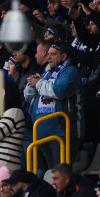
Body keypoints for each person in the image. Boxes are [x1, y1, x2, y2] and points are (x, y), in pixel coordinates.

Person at [24, 41, 80, 173]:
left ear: (64, 56)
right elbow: (29, 97)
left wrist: (39, 83)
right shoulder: (47, 74)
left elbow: (59, 91)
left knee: (61, 173)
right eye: (48, 54)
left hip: (61, 132)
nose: (48, 57)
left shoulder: (70, 71)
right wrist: (32, 84)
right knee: (53, 174)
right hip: (42, 133)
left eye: (53, 54)